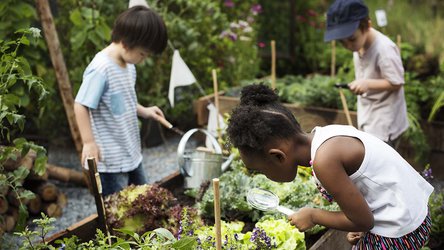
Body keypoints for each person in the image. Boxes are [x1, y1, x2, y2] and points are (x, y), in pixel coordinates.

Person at [227, 84, 433, 249]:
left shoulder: (325, 161)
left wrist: (314, 215)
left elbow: (363, 221)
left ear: (278, 156)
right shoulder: (324, 136)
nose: (264, 176)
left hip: (402, 229)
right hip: (411, 212)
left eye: (261, 170)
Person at [74, 6, 168, 196]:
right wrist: (89, 142)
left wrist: (145, 111)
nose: (144, 59)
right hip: (110, 160)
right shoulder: (101, 69)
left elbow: (123, 102)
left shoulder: (128, 65)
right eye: (143, 54)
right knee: (117, 212)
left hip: (130, 151)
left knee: (144, 199)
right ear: (126, 43)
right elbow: (80, 105)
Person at [324, 0, 409, 148]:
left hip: (385, 122)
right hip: (369, 115)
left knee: (380, 164)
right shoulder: (359, 44)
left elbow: (397, 82)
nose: (348, 46)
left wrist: (367, 84)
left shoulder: (384, 49)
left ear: (367, 26)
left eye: (351, 39)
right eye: (342, 42)